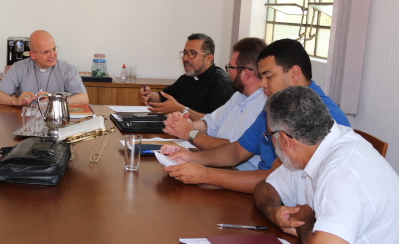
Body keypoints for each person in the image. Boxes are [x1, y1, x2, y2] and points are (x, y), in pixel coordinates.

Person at [254, 86, 399, 244]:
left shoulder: (341, 170)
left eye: (269, 135)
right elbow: (265, 187)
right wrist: (275, 212)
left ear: (284, 140)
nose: (271, 141)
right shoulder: (312, 147)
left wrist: (304, 221)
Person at [160, 38, 350, 193]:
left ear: (294, 73)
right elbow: (237, 151)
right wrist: (191, 158)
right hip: (265, 194)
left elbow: (274, 178)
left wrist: (204, 175)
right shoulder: (276, 105)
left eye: (268, 76)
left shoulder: (320, 114)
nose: (262, 84)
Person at [162, 37, 267, 170]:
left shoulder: (264, 106)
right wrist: (182, 125)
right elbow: (209, 124)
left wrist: (189, 133)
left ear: (245, 74)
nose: (228, 72)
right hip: (216, 164)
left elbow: (233, 149)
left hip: (237, 174)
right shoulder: (238, 96)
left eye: (230, 67)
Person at [139, 33, 234, 121]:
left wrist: (182, 110)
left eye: (193, 53)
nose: (185, 58)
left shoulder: (221, 83)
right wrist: (149, 95)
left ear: (208, 59)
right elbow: (162, 97)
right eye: (185, 53)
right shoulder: (187, 78)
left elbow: (218, 122)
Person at [0, 30, 89, 106]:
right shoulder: (19, 68)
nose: (52, 55)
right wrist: (15, 101)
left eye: (53, 49)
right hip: (27, 121)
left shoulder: (67, 69)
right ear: (33, 54)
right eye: (45, 52)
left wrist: (55, 100)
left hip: (58, 121)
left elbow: (84, 99)